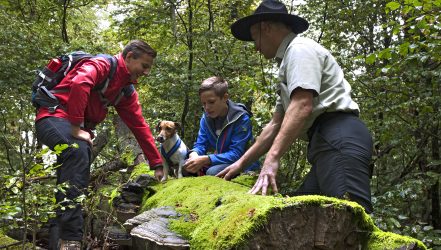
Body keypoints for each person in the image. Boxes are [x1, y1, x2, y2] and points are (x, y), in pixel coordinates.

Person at [217, 0, 373, 213]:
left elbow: (302, 105)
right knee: (302, 215)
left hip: (339, 136)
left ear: (266, 28)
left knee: (350, 219)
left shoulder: (299, 51)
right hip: (324, 144)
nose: (255, 47)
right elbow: (275, 124)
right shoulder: (288, 63)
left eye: (255, 38)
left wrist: (272, 159)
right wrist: (240, 164)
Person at [35, 40, 164, 249]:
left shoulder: (125, 91)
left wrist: (157, 163)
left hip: (70, 127)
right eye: (145, 66)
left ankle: (56, 239)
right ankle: (71, 240)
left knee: (72, 169)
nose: (146, 72)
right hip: (52, 116)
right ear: (130, 57)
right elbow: (80, 83)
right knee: (77, 149)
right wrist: (77, 127)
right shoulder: (103, 65)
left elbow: (140, 126)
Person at [184, 76, 260, 176]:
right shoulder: (206, 118)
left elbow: (236, 154)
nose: (207, 107)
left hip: (242, 163)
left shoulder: (240, 118)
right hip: (221, 160)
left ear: (224, 98)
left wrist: (207, 159)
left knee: (212, 172)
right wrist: (194, 154)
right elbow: (201, 144)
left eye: (211, 102)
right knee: (185, 167)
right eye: (204, 103)